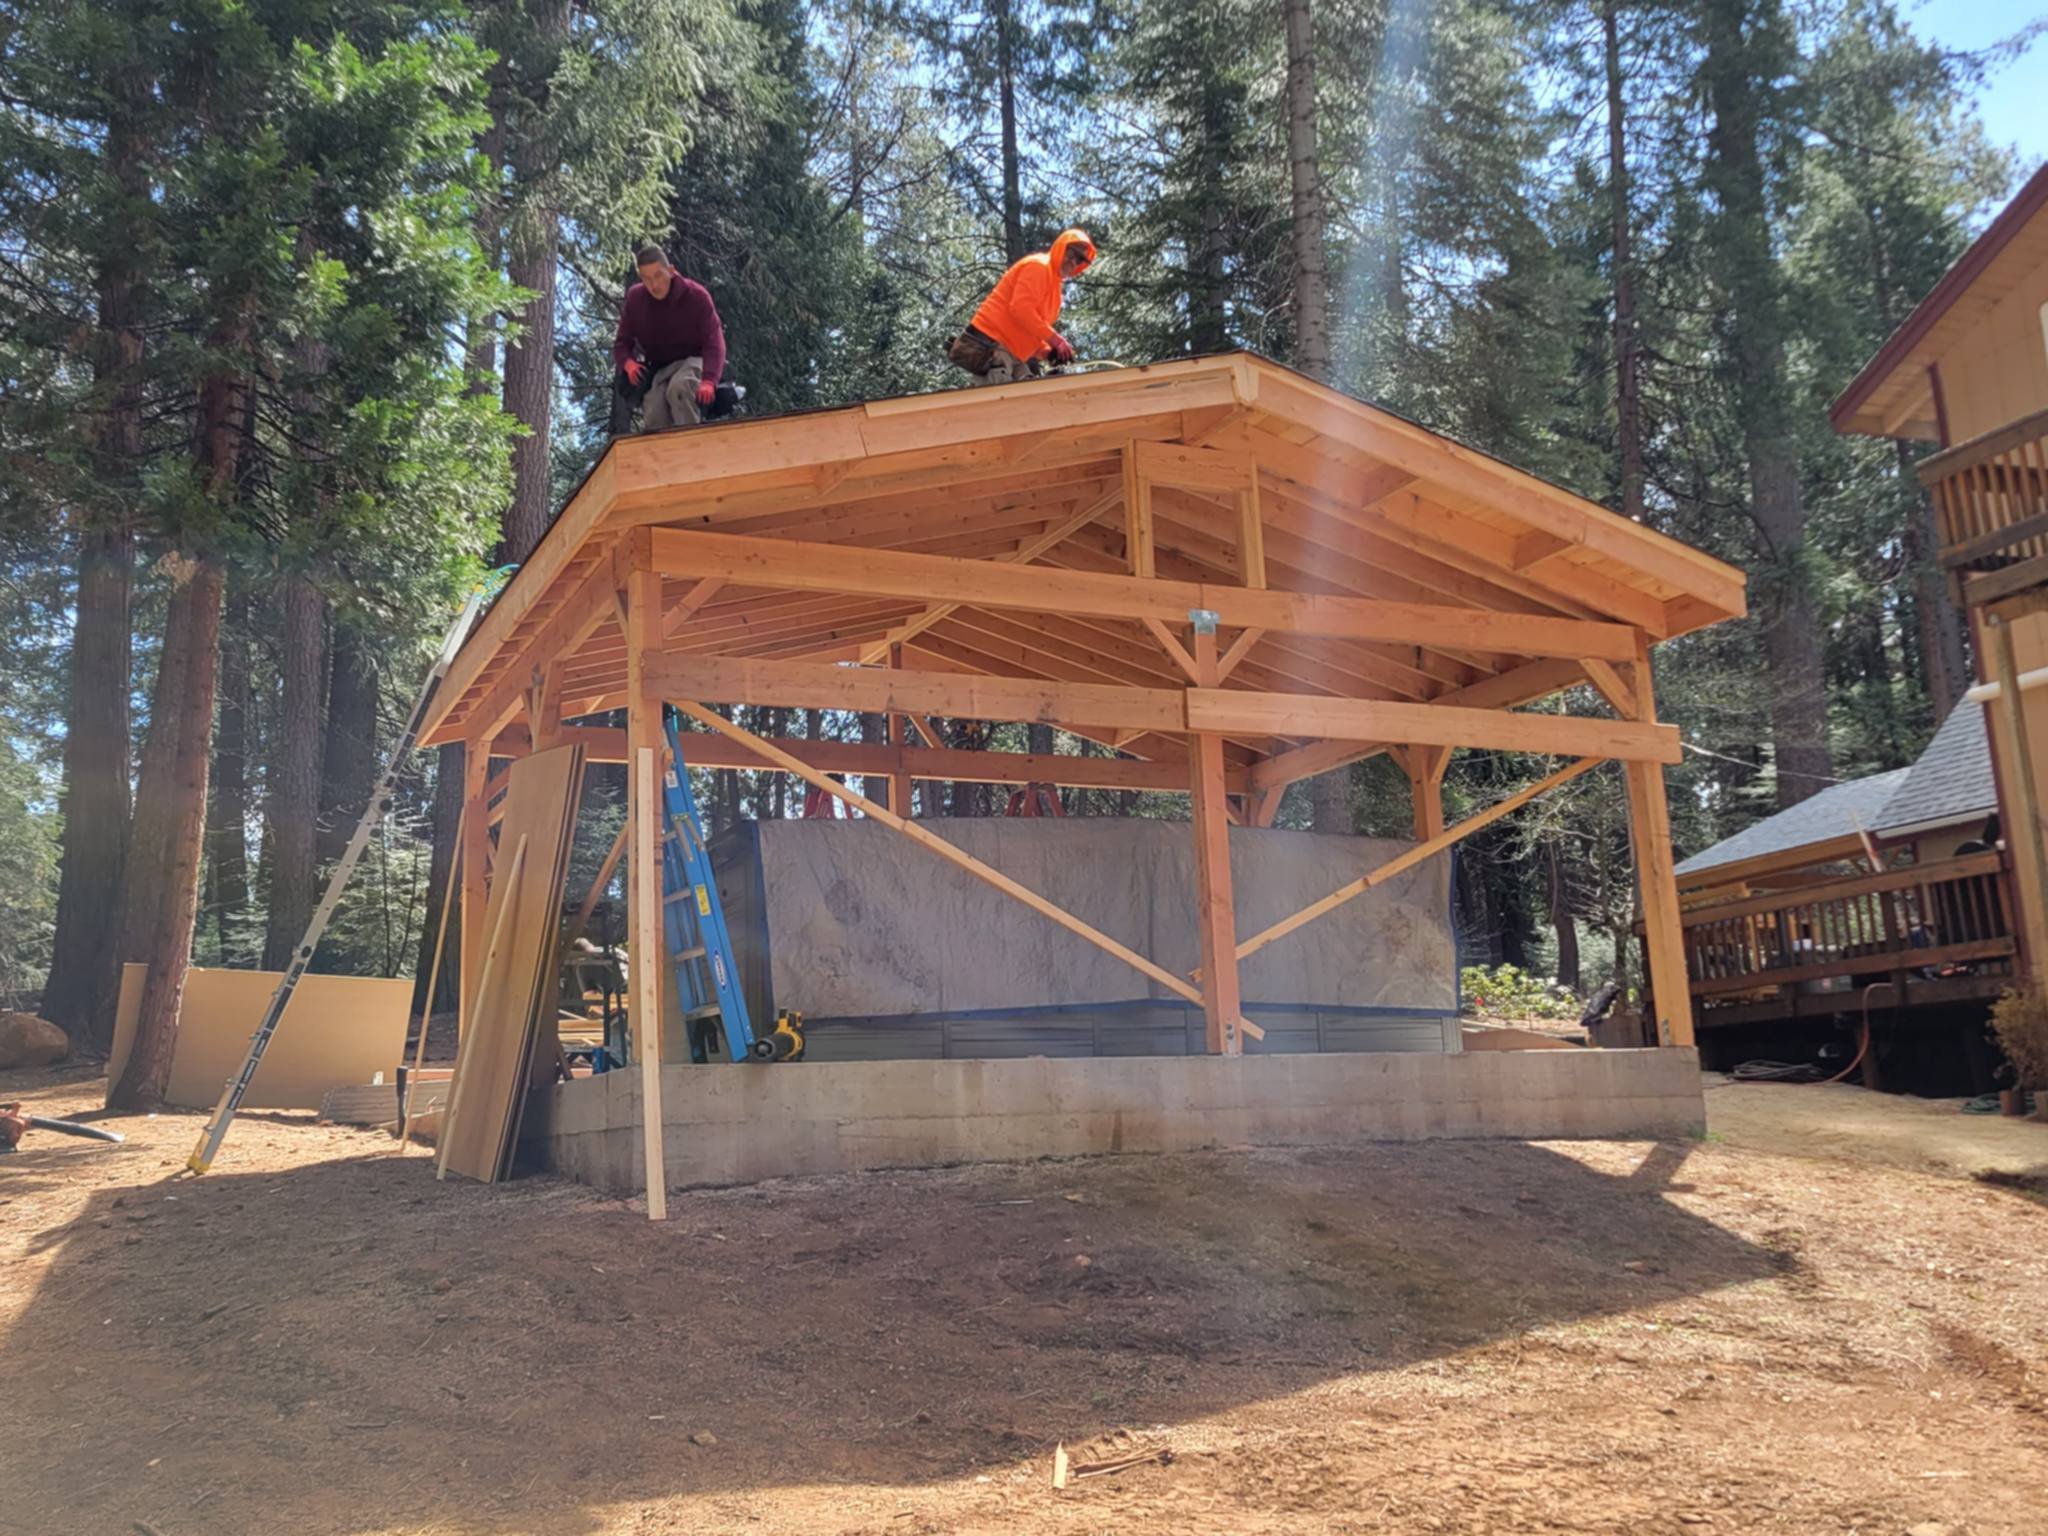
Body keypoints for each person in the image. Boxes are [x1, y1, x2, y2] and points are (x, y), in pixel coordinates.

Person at [948, 228, 1096, 386]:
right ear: (1060, 247)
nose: (1073, 261)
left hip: (1014, 356)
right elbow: (1020, 309)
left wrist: (1048, 352)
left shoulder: (1055, 290)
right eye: (1071, 253)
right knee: (1002, 405)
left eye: (1079, 260)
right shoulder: (1039, 267)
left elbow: (1031, 329)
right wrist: (1055, 340)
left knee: (1030, 402)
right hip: (994, 348)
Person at [614, 242, 727, 431]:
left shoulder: (696, 296)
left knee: (680, 388)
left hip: (695, 360)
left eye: (658, 275)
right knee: (653, 405)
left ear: (671, 270)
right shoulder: (635, 299)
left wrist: (709, 380)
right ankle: (662, 458)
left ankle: (692, 446)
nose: (654, 285)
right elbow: (621, 343)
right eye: (647, 279)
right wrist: (629, 364)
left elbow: (714, 341)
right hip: (661, 367)